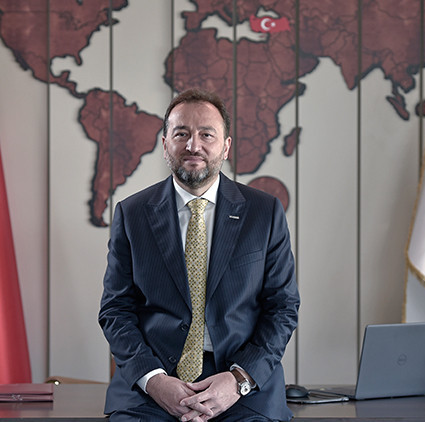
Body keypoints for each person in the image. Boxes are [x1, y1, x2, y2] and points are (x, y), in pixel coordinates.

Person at [98, 88, 300, 421]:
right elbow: (115, 310)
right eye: (181, 134)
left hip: (240, 382)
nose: (194, 145)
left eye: (207, 134)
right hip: (152, 382)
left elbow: (283, 307)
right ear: (165, 144)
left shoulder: (264, 213)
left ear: (226, 146)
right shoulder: (132, 214)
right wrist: (154, 381)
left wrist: (238, 380)